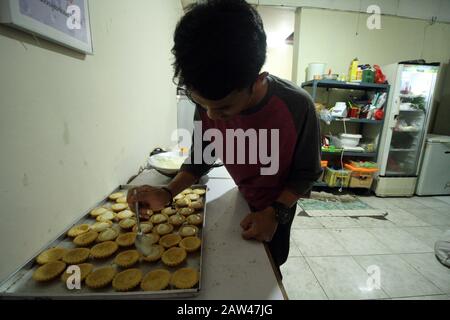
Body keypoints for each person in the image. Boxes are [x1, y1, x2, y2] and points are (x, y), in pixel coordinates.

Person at [128, 0, 322, 276]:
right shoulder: (208, 98)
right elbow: (200, 161)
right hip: (241, 195)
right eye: (201, 104)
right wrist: (167, 192)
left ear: (257, 80)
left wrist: (275, 212)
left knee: (266, 270)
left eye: (223, 109)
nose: (211, 116)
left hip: (279, 203)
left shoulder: (297, 107)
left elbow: (307, 173)